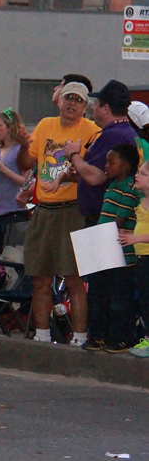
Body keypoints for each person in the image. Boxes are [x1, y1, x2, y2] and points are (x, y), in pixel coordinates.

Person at [17, 81, 100, 346]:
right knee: (40, 276)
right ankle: (42, 336)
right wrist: (21, 144)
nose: (72, 104)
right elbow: (28, 163)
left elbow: (94, 173)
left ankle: (79, 337)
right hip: (44, 208)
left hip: (73, 210)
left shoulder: (92, 131)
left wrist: (69, 174)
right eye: (68, 98)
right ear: (59, 101)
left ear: (85, 106)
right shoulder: (44, 125)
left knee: (74, 276)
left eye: (78, 100)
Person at [80, 144, 140, 353]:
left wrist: (97, 237)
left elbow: (119, 221)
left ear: (127, 164)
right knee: (98, 295)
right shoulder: (112, 186)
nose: (105, 166)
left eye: (111, 162)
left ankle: (121, 336)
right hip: (103, 250)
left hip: (121, 254)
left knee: (119, 298)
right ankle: (98, 335)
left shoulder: (130, 188)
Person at [64, 81, 139, 227]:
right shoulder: (127, 131)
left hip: (105, 219)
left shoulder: (113, 135)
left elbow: (96, 177)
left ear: (105, 108)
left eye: (96, 103)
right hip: (110, 217)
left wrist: (73, 154)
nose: (93, 107)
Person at [119, 159, 149, 357]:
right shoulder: (141, 201)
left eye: (143, 174)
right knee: (145, 301)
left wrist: (136, 238)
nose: (137, 176)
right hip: (141, 259)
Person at [0, 109, 30, 253]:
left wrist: (6, 170)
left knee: (10, 256)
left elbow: (27, 182)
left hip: (13, 212)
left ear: (10, 127)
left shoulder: (20, 151)